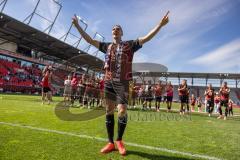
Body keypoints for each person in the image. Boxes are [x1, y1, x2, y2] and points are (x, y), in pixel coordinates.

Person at [72, 11, 169, 155]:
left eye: (118, 28)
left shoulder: (129, 45)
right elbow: (90, 41)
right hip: (109, 83)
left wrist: (160, 25)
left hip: (123, 83)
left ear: (122, 33)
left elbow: (146, 38)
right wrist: (77, 26)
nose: (115, 30)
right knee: (109, 111)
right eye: (113, 29)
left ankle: (119, 140)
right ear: (112, 33)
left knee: (122, 110)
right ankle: (110, 142)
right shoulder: (107, 46)